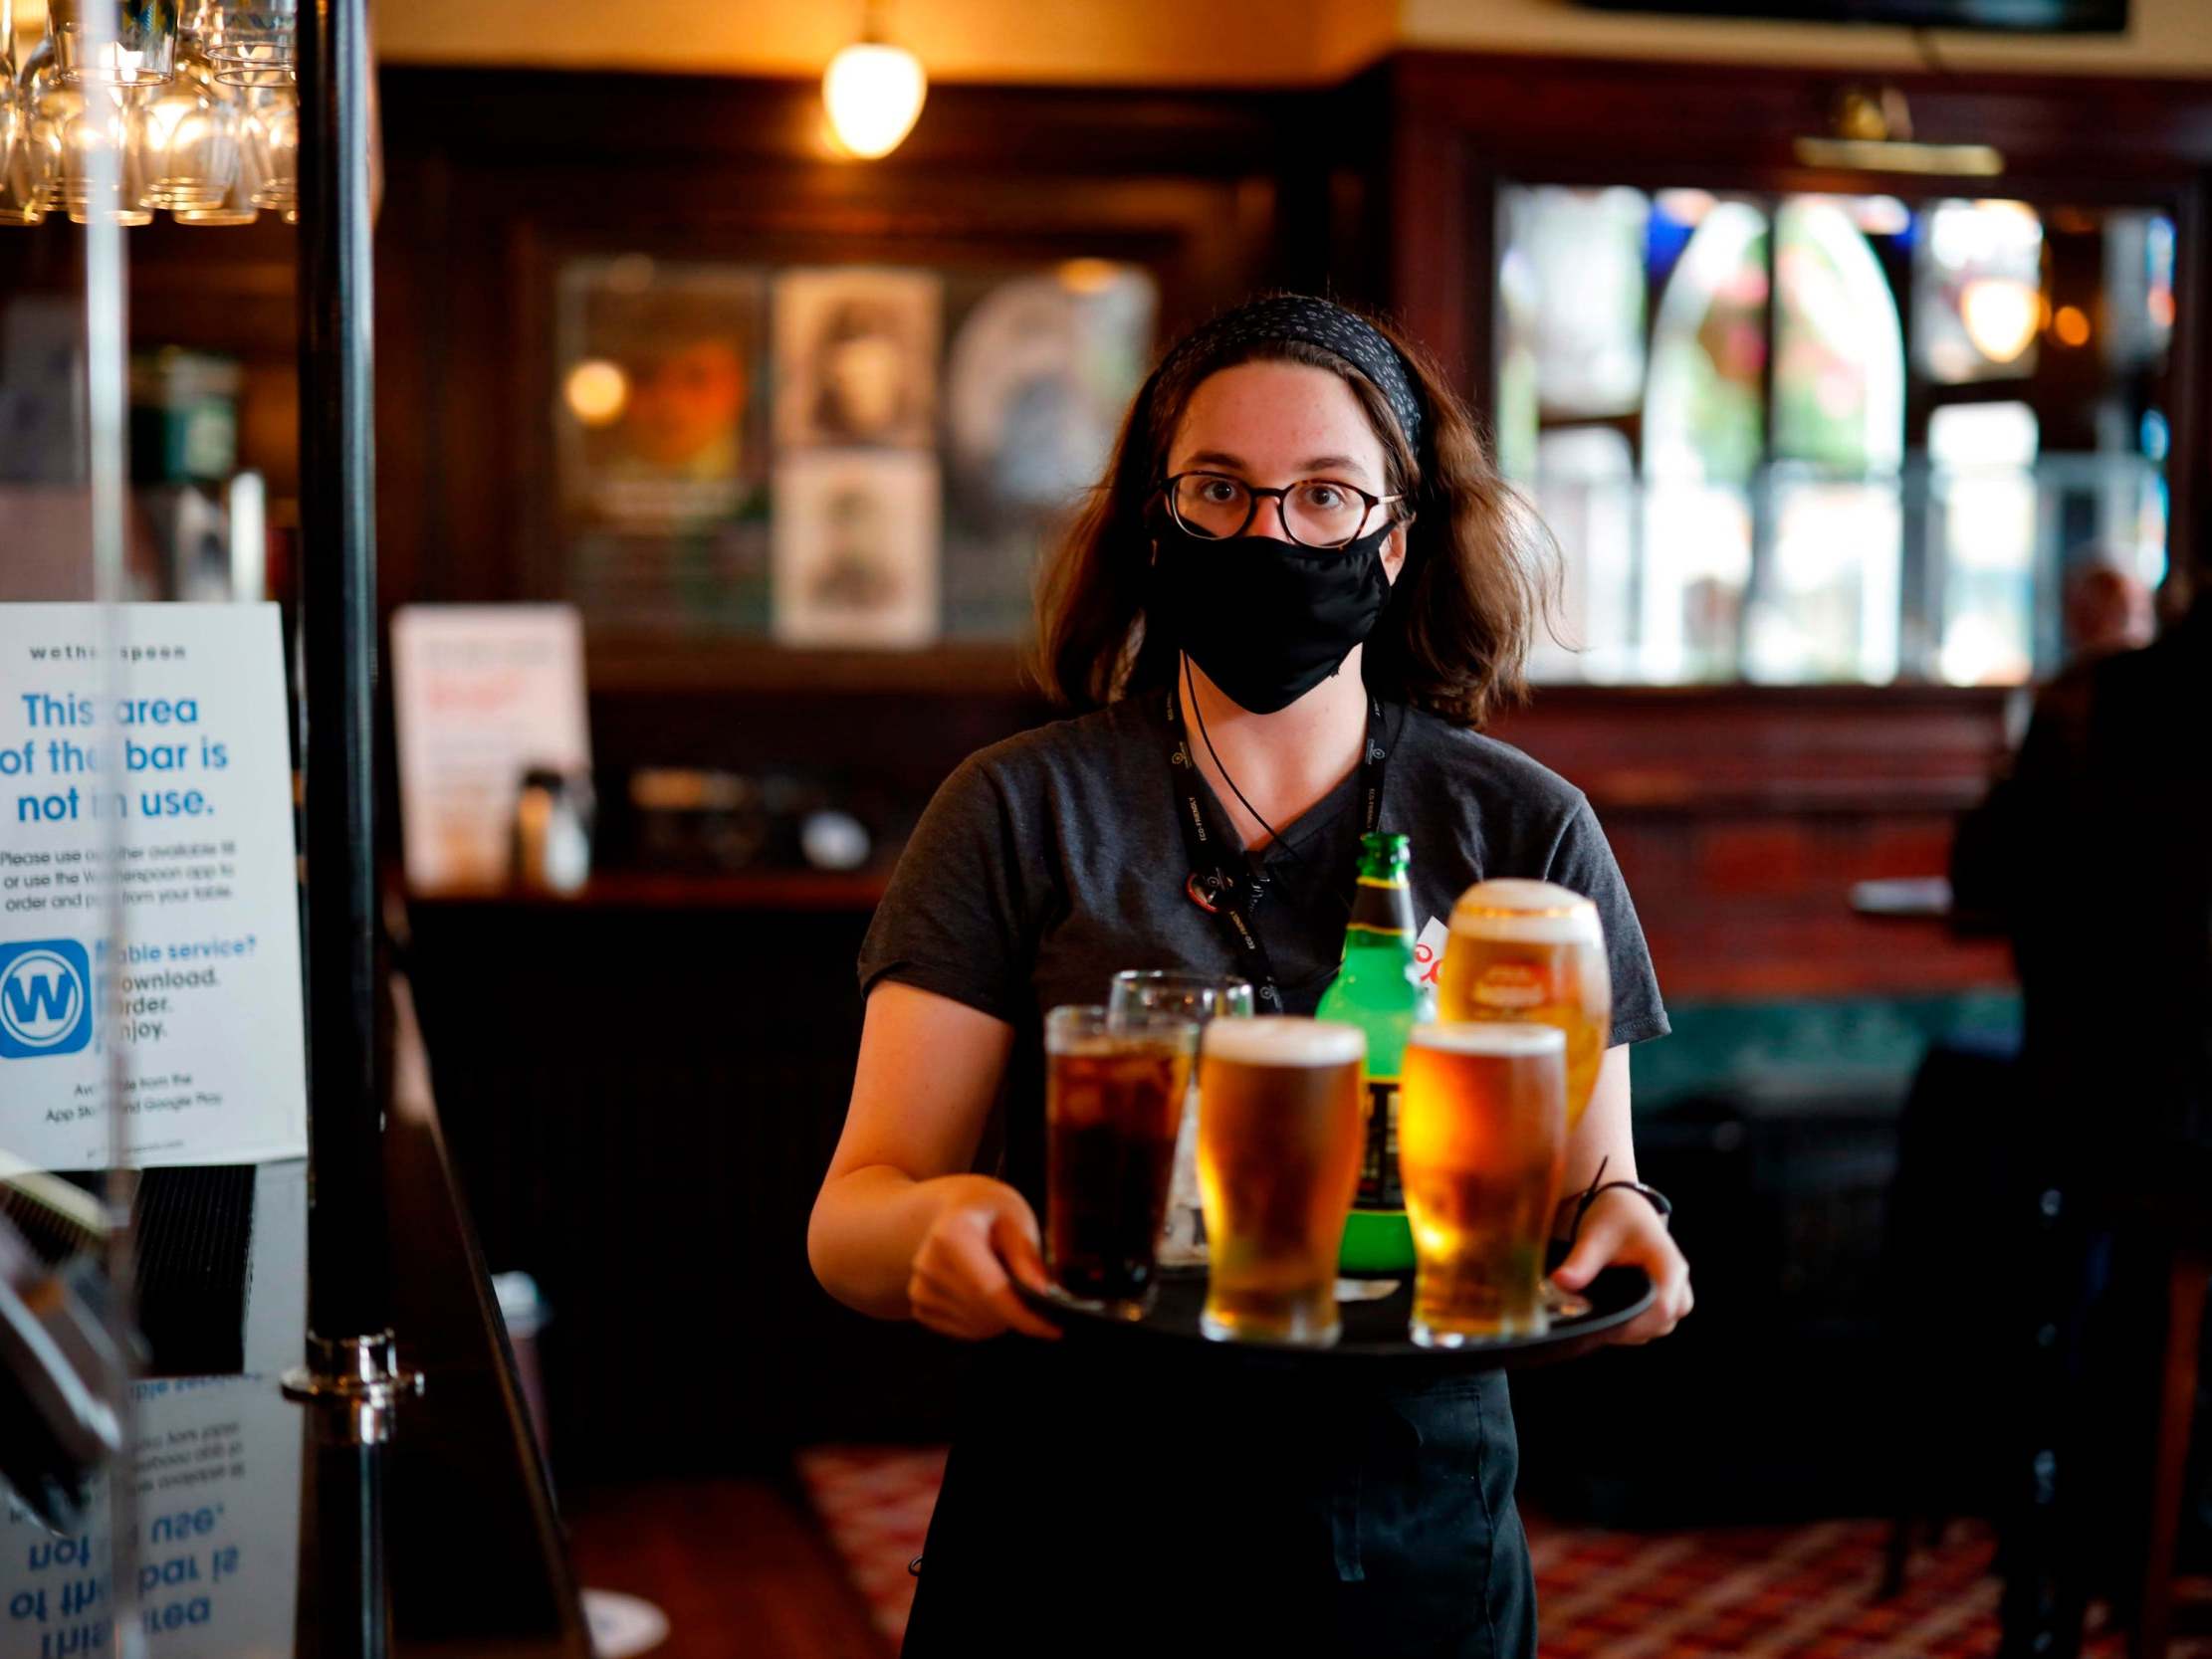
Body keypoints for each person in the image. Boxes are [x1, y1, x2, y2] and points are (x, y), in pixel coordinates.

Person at [807, 294, 1692, 1657]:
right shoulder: (1015, 809)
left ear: (1395, 538)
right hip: (1074, 1538)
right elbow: (853, 1215)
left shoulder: (1520, 831)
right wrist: (937, 1231)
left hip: (1409, 1541)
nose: (1267, 534)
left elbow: (1592, 1187)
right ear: (1153, 523)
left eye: (1323, 495)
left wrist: (1628, 1228)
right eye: (1218, 490)